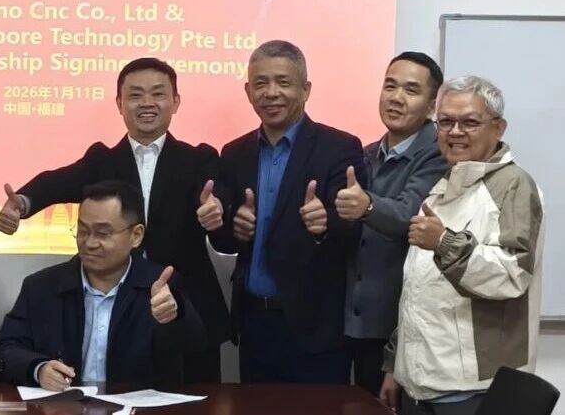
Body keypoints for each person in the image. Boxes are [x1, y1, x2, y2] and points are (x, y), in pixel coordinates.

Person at [0, 57, 229, 383]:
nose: (146, 103)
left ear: (175, 102)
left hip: (186, 307)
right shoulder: (102, 159)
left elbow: (217, 195)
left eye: (158, 94)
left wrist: (216, 208)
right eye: (135, 95)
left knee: (194, 398)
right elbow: (57, 182)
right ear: (119, 104)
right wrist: (22, 202)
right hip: (120, 307)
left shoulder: (199, 158)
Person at [379, 76, 543, 415]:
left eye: (469, 122)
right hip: (420, 382)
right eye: (445, 122)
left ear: (498, 128)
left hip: (471, 389)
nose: (455, 132)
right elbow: (418, 288)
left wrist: (444, 242)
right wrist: (396, 364)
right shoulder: (443, 186)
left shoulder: (514, 185)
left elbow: (511, 275)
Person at [211, 40, 366, 384]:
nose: (271, 93)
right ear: (248, 91)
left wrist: (325, 224)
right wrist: (231, 227)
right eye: (261, 83)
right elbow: (225, 241)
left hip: (315, 330)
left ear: (305, 89)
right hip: (254, 324)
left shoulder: (340, 147)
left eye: (283, 82)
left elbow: (354, 232)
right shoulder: (234, 152)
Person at [0, 180, 203, 391]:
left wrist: (174, 316)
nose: (89, 243)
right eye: (83, 231)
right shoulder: (42, 287)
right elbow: (3, 350)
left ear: (136, 236)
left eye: (102, 233)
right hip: (64, 405)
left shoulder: (161, 287)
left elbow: (194, 350)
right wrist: (39, 369)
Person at [335, 52, 448, 395]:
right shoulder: (366, 153)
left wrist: (367, 206)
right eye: (390, 86)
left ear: (431, 107)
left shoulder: (441, 154)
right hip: (350, 320)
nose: (396, 98)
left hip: (396, 326)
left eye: (411, 90)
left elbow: (410, 216)